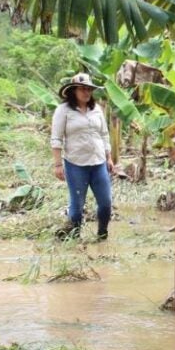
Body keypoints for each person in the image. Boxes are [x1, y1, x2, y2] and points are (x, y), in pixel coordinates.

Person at [51, 73, 114, 241]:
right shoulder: (63, 111)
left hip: (98, 162)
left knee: (106, 203)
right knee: (77, 206)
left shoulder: (97, 109)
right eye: (83, 89)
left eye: (89, 89)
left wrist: (109, 157)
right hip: (75, 164)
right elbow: (56, 139)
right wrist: (57, 165)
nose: (87, 93)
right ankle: (75, 238)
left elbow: (104, 134)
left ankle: (102, 234)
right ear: (73, 91)